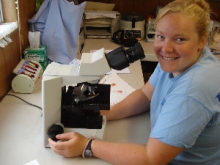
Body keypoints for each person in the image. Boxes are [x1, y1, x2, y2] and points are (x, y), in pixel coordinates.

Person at [48, 0, 220, 164]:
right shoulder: (183, 59)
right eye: (161, 36)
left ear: (202, 40)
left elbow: (150, 159)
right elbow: (146, 94)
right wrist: (103, 115)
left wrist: (86, 146)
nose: (166, 48)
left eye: (179, 39)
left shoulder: (191, 92)